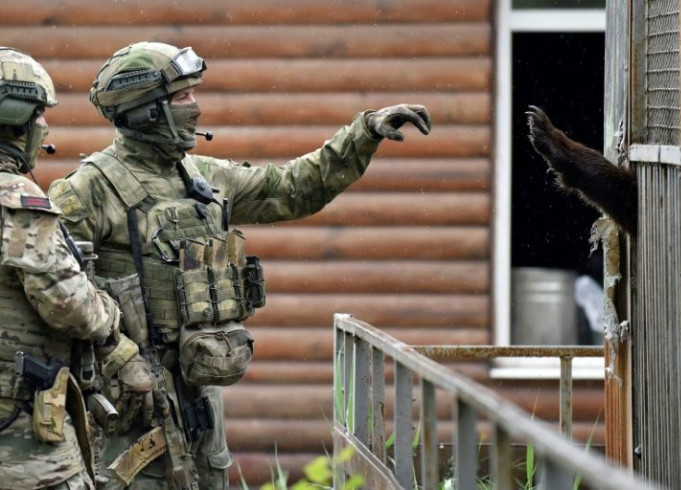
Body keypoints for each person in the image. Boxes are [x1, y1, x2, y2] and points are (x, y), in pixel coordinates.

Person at [48, 41, 431, 489]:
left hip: (202, 393)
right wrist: (119, 359)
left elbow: (291, 188)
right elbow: (55, 291)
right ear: (146, 110)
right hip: (131, 402)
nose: (196, 106)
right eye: (181, 97)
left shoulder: (203, 177)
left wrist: (364, 133)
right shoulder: (87, 192)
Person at [0, 47, 150, 489]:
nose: (45, 126)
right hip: (19, 439)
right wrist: (108, 310)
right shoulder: (16, 200)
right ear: (15, 117)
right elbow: (68, 304)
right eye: (39, 114)